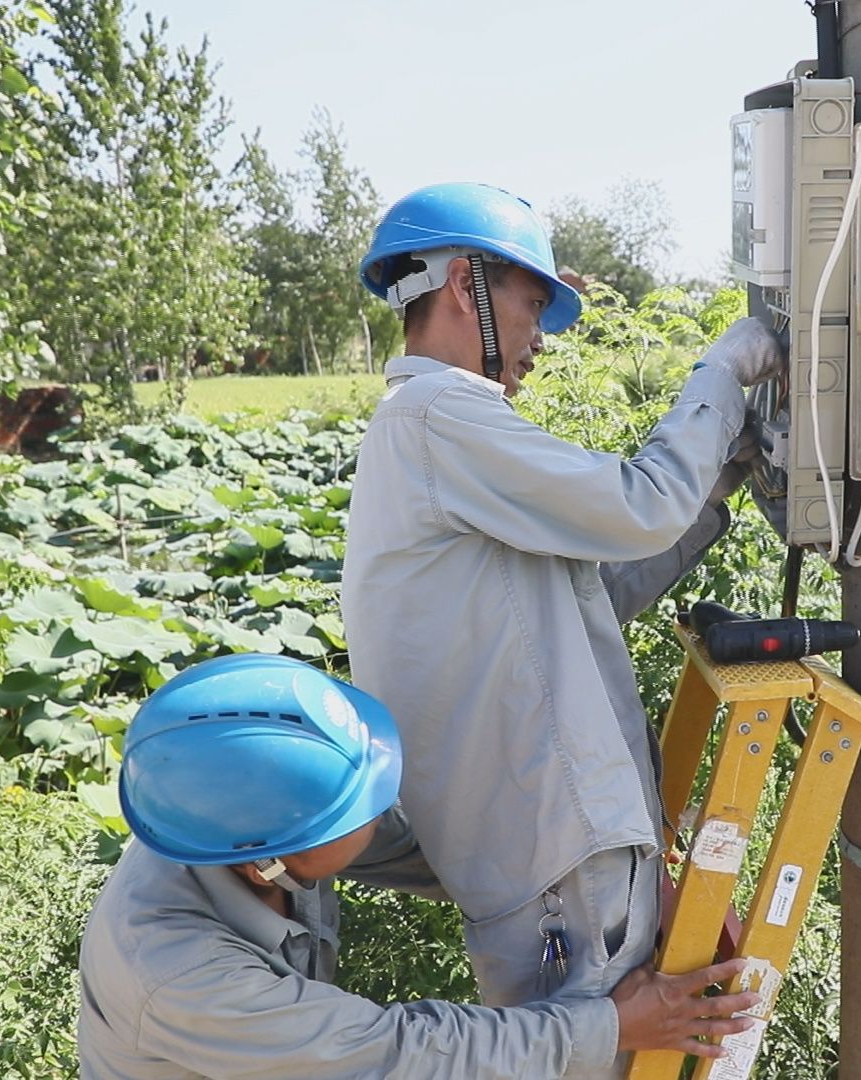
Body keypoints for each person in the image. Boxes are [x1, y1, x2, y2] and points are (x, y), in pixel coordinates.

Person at [340, 183, 784, 1066]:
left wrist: (718, 479)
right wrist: (723, 377)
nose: (540, 338)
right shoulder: (439, 417)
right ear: (465, 284)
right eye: (532, 302)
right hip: (554, 856)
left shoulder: (420, 437)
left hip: (547, 856)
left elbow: (592, 593)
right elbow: (640, 505)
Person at [77, 653, 758, 1079]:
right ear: (267, 865)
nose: (385, 813)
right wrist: (608, 1027)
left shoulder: (236, 819)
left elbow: (432, 840)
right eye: (363, 809)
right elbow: (393, 1055)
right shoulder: (180, 975)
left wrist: (618, 867)